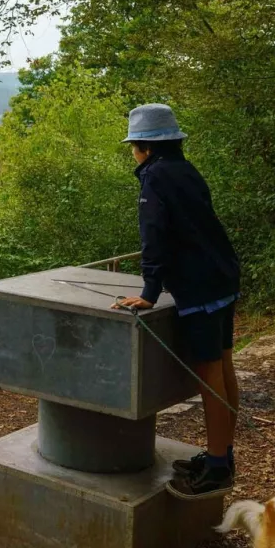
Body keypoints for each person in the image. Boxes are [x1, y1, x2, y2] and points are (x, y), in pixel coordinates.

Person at [110, 103, 242, 497]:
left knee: (209, 376)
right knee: (224, 366)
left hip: (198, 286)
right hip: (223, 275)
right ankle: (223, 453)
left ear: (144, 147)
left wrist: (150, 292)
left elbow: (155, 237)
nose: (133, 153)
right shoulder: (186, 170)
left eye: (134, 146)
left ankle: (218, 467)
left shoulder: (154, 179)